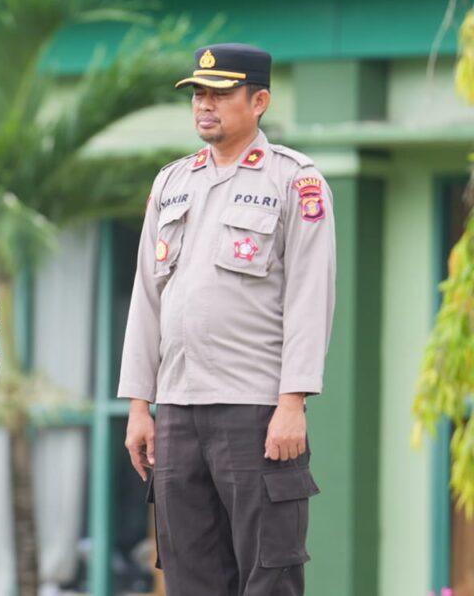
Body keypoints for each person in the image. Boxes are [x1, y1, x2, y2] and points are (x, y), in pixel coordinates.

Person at [118, 44, 336, 596]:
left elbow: (312, 297)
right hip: (179, 413)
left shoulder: (294, 181)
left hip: (257, 412)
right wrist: (140, 406)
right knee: (190, 577)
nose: (204, 105)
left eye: (219, 93)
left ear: (259, 100)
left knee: (268, 576)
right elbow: (147, 298)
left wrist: (293, 402)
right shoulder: (171, 183)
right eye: (198, 93)